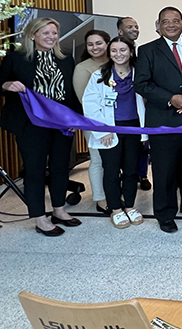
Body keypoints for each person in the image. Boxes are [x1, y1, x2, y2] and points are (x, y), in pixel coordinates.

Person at [133, 7, 182, 233]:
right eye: (166, 21)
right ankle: (165, 213)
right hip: (163, 119)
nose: (171, 25)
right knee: (164, 169)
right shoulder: (147, 50)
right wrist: (171, 99)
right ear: (158, 25)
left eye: (176, 20)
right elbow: (141, 83)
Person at [0, 17, 81, 236]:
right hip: (30, 123)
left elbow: (70, 93)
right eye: (45, 33)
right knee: (35, 170)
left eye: (54, 33)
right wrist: (6, 84)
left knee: (60, 167)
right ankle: (39, 217)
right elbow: (1, 82)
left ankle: (59, 210)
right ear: (32, 35)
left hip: (61, 123)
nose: (51, 37)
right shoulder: (16, 58)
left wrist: (74, 118)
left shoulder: (65, 59)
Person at [82, 37, 146, 229]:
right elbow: (90, 105)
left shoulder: (140, 74)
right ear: (109, 53)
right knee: (111, 170)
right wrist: (103, 130)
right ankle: (116, 208)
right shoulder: (99, 75)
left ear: (131, 52)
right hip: (109, 129)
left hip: (134, 128)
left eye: (123, 50)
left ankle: (130, 206)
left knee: (131, 170)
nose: (119, 54)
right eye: (114, 51)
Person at [72, 29, 111, 216]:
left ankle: (112, 191)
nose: (95, 47)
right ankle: (100, 198)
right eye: (90, 44)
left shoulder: (116, 61)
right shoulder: (82, 68)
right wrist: (101, 126)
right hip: (95, 122)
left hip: (118, 122)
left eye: (99, 43)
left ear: (107, 43)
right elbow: (84, 102)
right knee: (98, 160)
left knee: (113, 161)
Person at [117, 16, 151, 192]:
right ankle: (126, 173)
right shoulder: (115, 52)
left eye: (136, 26)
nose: (135, 29)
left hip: (141, 107)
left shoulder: (140, 52)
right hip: (121, 110)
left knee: (142, 144)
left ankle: (142, 174)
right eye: (130, 26)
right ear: (120, 31)